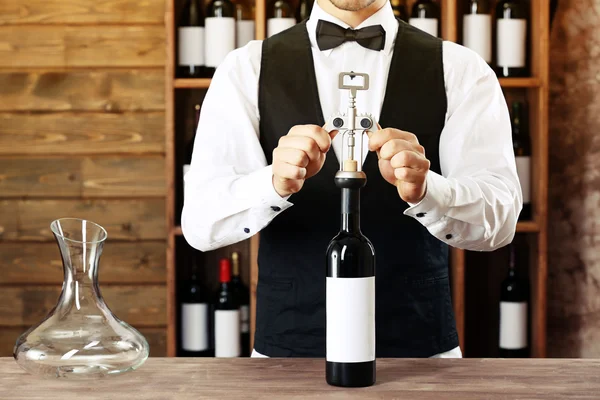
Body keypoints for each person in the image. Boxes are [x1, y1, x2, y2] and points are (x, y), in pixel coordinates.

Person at [182, 0, 522, 358]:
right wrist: (272, 183)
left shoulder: (460, 69)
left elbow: (501, 223)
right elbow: (201, 225)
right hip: (286, 352)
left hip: (421, 351)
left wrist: (428, 190)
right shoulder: (245, 68)